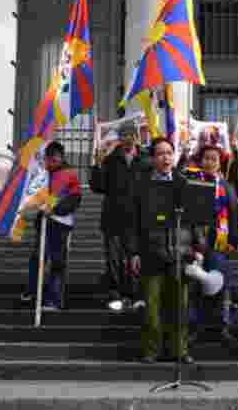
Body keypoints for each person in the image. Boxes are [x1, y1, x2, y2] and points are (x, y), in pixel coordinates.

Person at [131, 137, 197, 364]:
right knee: (152, 307)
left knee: (180, 306)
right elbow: (134, 223)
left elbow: (194, 220)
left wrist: (197, 248)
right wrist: (134, 253)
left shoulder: (183, 183)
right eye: (161, 153)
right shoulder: (142, 185)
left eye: (169, 153)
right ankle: (152, 350)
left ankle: (180, 350)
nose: (166, 157)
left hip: (180, 252)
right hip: (151, 253)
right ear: (153, 157)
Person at [184, 143, 238, 346]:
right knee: (196, 286)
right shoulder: (192, 182)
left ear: (219, 163)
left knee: (222, 285)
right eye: (206, 158)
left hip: (219, 241)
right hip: (197, 242)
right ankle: (195, 327)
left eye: (213, 159)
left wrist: (234, 240)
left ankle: (223, 326)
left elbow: (235, 213)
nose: (209, 162)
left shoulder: (226, 186)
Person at [90, 120, 149, 312]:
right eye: (123, 135)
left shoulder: (146, 160)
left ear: (136, 137)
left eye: (131, 135)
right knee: (114, 260)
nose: (127, 139)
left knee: (135, 259)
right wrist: (97, 165)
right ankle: (116, 294)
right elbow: (98, 186)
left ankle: (135, 295)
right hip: (113, 218)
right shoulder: (110, 159)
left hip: (138, 220)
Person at [21, 141, 82, 311]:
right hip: (44, 222)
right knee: (37, 258)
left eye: (56, 160)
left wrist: (55, 209)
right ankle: (33, 290)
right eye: (50, 160)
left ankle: (54, 299)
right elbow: (34, 194)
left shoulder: (69, 175)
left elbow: (75, 199)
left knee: (57, 262)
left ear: (61, 158)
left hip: (61, 224)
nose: (52, 163)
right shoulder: (44, 175)